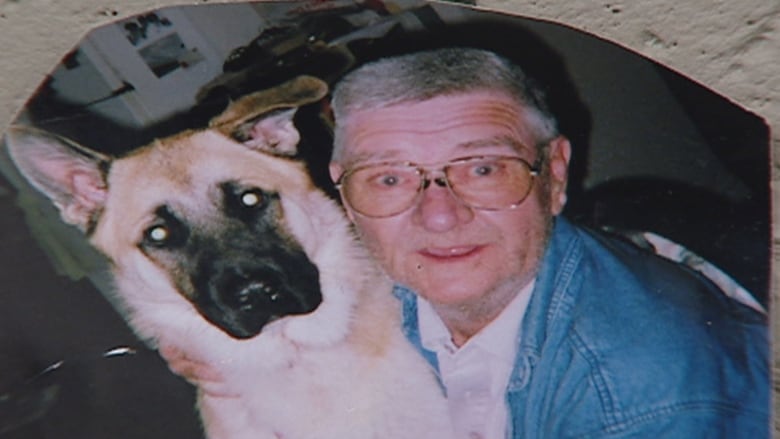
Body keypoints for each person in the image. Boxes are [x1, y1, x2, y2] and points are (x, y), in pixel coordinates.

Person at [164, 47, 769, 438]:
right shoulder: (369, 269)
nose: (439, 216)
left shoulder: (644, 410)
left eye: (482, 168)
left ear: (554, 176)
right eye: (390, 178)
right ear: (344, 195)